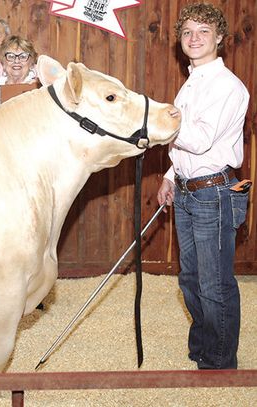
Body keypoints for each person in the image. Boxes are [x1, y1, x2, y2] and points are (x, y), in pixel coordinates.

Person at [157, 2, 250, 370]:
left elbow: (199, 140)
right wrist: (169, 176)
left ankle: (220, 363)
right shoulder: (192, 81)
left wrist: (156, 121)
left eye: (203, 32)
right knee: (190, 277)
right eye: (187, 33)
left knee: (215, 283)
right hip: (187, 188)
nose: (194, 39)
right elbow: (182, 147)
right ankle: (203, 346)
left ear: (220, 39)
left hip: (214, 193)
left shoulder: (227, 86)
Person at [0, 35, 38, 120]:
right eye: (10, 56)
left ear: (31, 62)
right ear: (3, 62)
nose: (16, 61)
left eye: (23, 56)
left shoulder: (38, 88)